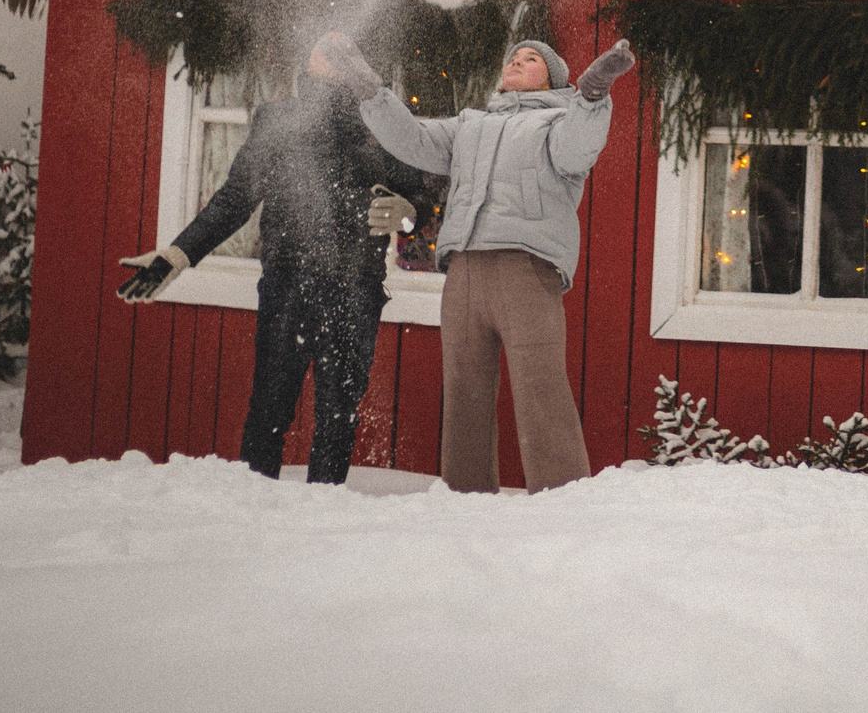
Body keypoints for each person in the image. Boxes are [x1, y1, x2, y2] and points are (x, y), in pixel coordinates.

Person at [314, 29, 634, 494]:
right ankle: (463, 501)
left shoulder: (559, 124)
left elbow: (577, 149)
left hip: (526, 270)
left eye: (531, 59)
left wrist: (591, 95)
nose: (517, 62)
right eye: (514, 57)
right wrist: (371, 90)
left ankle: (564, 505)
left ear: (553, 81)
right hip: (463, 273)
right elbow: (413, 140)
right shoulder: (469, 125)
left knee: (540, 391)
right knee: (464, 395)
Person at [114, 38, 431, 484]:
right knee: (267, 412)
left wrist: (410, 214)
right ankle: (253, 522)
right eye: (324, 45)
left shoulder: (382, 125)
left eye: (345, 46)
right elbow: (235, 199)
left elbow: (420, 195)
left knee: (338, 418)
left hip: (356, 289)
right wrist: (178, 254)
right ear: (306, 59)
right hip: (287, 284)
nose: (332, 50)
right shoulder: (278, 119)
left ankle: (319, 523)